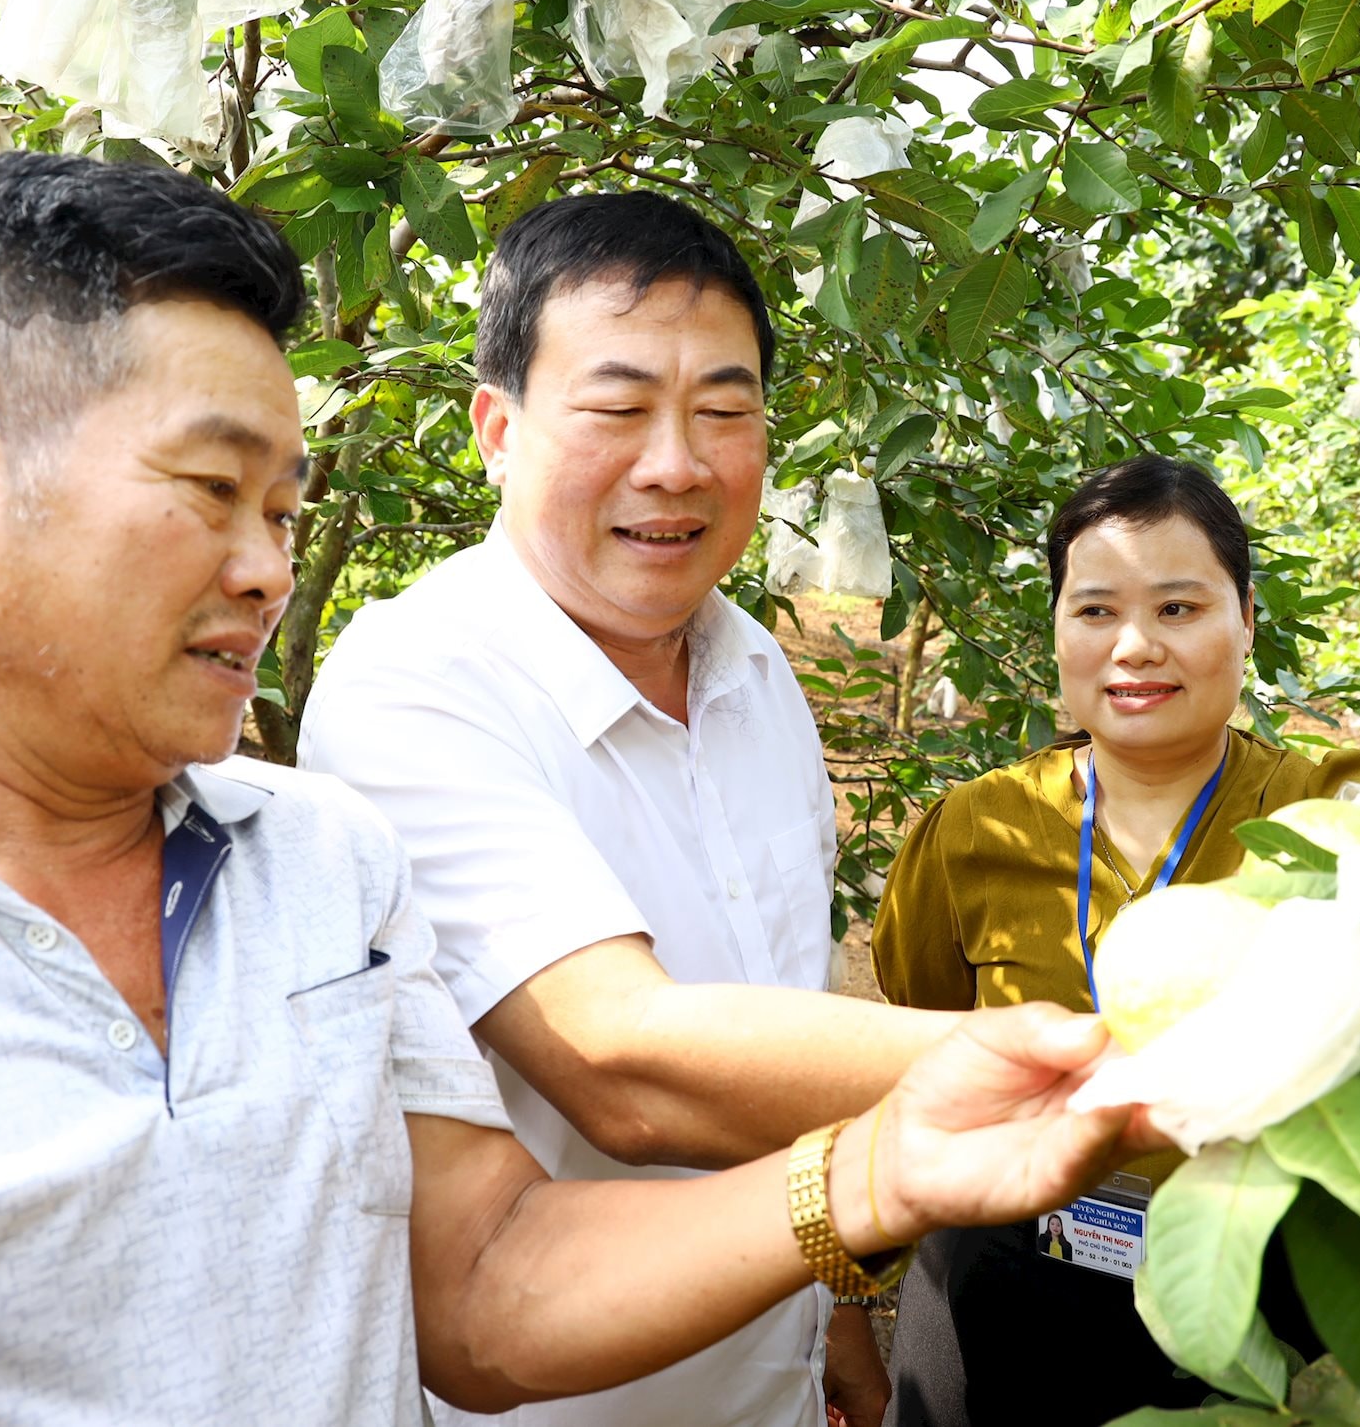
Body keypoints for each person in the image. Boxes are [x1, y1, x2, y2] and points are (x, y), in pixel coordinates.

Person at [0, 156, 1158, 1426]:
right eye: (213, 491)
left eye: (286, 505)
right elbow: (622, 1053)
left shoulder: (318, 866)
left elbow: (485, 1294)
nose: (270, 569)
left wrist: (871, 1179)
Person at [301, 192, 953, 1427]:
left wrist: (841, 1316)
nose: (677, 463)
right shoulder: (417, 680)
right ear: (496, 428)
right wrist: (1084, 1066)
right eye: (614, 409)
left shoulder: (756, 671)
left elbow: (778, 1019)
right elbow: (626, 1064)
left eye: (724, 410)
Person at [868, 454, 1360, 1427]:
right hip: (1000, 1261)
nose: (1135, 645)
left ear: (1246, 623)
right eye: (1095, 609)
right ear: (1057, 629)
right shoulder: (976, 827)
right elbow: (927, 1015)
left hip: (1244, 1280)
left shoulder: (1327, 811)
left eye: (1180, 608)